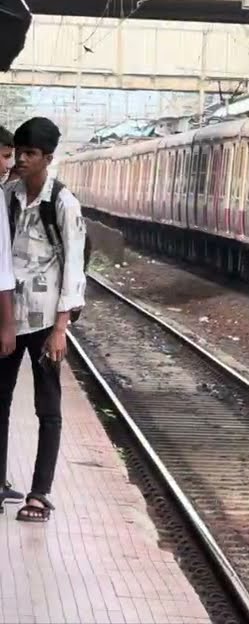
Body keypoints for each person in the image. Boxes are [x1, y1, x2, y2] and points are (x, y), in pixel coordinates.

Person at [0, 117, 85, 523]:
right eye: (19, 151)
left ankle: (39, 493)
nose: (21, 159)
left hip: (46, 322)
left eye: (30, 153)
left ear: (48, 158)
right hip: (8, 320)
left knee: (47, 407)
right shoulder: (8, 194)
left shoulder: (64, 203)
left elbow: (74, 268)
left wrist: (61, 328)